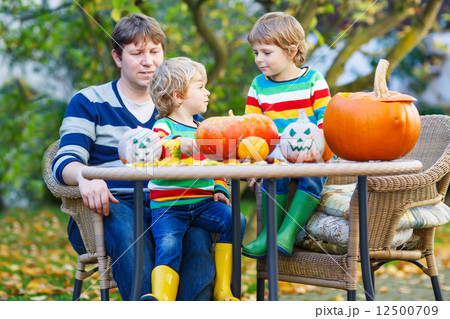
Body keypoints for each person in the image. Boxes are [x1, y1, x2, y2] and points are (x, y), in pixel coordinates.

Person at [52, 13, 216, 301]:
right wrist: (85, 178)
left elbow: (208, 156)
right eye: (137, 53)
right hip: (111, 206)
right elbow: (65, 159)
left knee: (198, 237)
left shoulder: (179, 105)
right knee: (131, 229)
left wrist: (218, 185)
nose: (148, 61)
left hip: (170, 202)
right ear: (118, 57)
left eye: (155, 52)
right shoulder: (89, 101)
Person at [140, 57, 246, 301]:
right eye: (200, 87)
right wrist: (178, 146)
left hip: (202, 204)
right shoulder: (163, 128)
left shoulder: (205, 129)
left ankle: (222, 289)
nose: (207, 92)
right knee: (169, 246)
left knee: (235, 220)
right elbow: (155, 154)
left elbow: (216, 164)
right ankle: (161, 299)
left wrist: (220, 188)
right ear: (178, 97)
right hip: (169, 207)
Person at [242, 12, 331, 258]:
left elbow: (327, 123)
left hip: (312, 151)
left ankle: (288, 232)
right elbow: (252, 130)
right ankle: (268, 235)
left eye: (266, 52)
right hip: (276, 153)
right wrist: (253, 163)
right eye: (255, 52)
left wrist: (322, 152)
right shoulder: (258, 85)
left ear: (291, 51)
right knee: (274, 176)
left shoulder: (313, 80)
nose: (259, 59)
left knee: (313, 174)